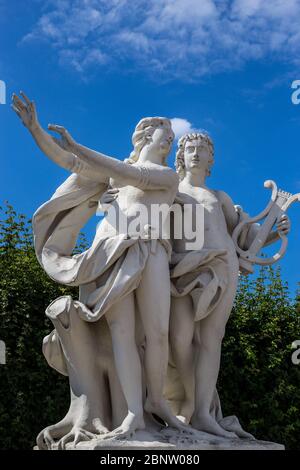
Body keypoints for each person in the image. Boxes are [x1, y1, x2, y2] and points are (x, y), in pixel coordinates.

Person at [12, 92, 187, 441]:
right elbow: (70, 163)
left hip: (151, 249)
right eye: (164, 131)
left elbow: (123, 170)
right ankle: (134, 413)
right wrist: (36, 130)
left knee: (157, 333)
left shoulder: (166, 176)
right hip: (110, 250)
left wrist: (78, 144)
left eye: (172, 133)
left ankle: (159, 402)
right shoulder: (114, 180)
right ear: (145, 135)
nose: (170, 137)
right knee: (121, 332)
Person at [168, 132, 290, 438]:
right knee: (179, 338)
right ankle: (191, 400)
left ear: (211, 160)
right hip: (182, 269)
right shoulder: (170, 191)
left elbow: (248, 240)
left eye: (201, 150)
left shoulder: (219, 197)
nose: (195, 153)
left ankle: (202, 415)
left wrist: (276, 232)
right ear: (181, 156)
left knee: (211, 338)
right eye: (189, 149)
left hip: (224, 268)